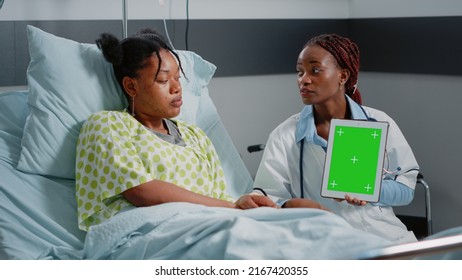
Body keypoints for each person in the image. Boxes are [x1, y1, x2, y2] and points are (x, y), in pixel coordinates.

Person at [75, 29, 277, 231]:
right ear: (131, 86)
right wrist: (233, 208)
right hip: (143, 232)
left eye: (178, 78)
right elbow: (142, 191)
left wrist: (244, 202)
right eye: (163, 80)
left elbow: (218, 197)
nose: (177, 88)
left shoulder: (196, 136)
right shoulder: (108, 125)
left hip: (209, 223)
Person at [253, 34, 420, 243]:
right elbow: (267, 198)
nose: (303, 79)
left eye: (315, 70)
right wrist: (291, 206)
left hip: (384, 236)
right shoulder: (284, 135)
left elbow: (406, 189)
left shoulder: (377, 122)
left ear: (343, 76)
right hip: (321, 240)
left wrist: (369, 190)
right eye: (299, 72)